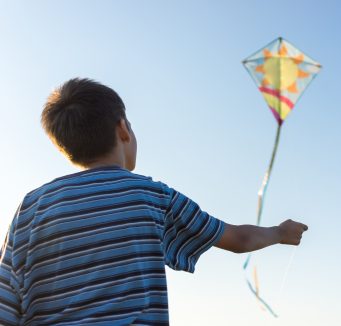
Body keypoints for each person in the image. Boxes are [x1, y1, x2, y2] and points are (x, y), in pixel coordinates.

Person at [0, 78, 308, 325]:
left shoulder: (32, 206)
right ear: (123, 129)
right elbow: (238, 238)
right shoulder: (151, 196)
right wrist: (280, 233)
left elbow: (7, 302)